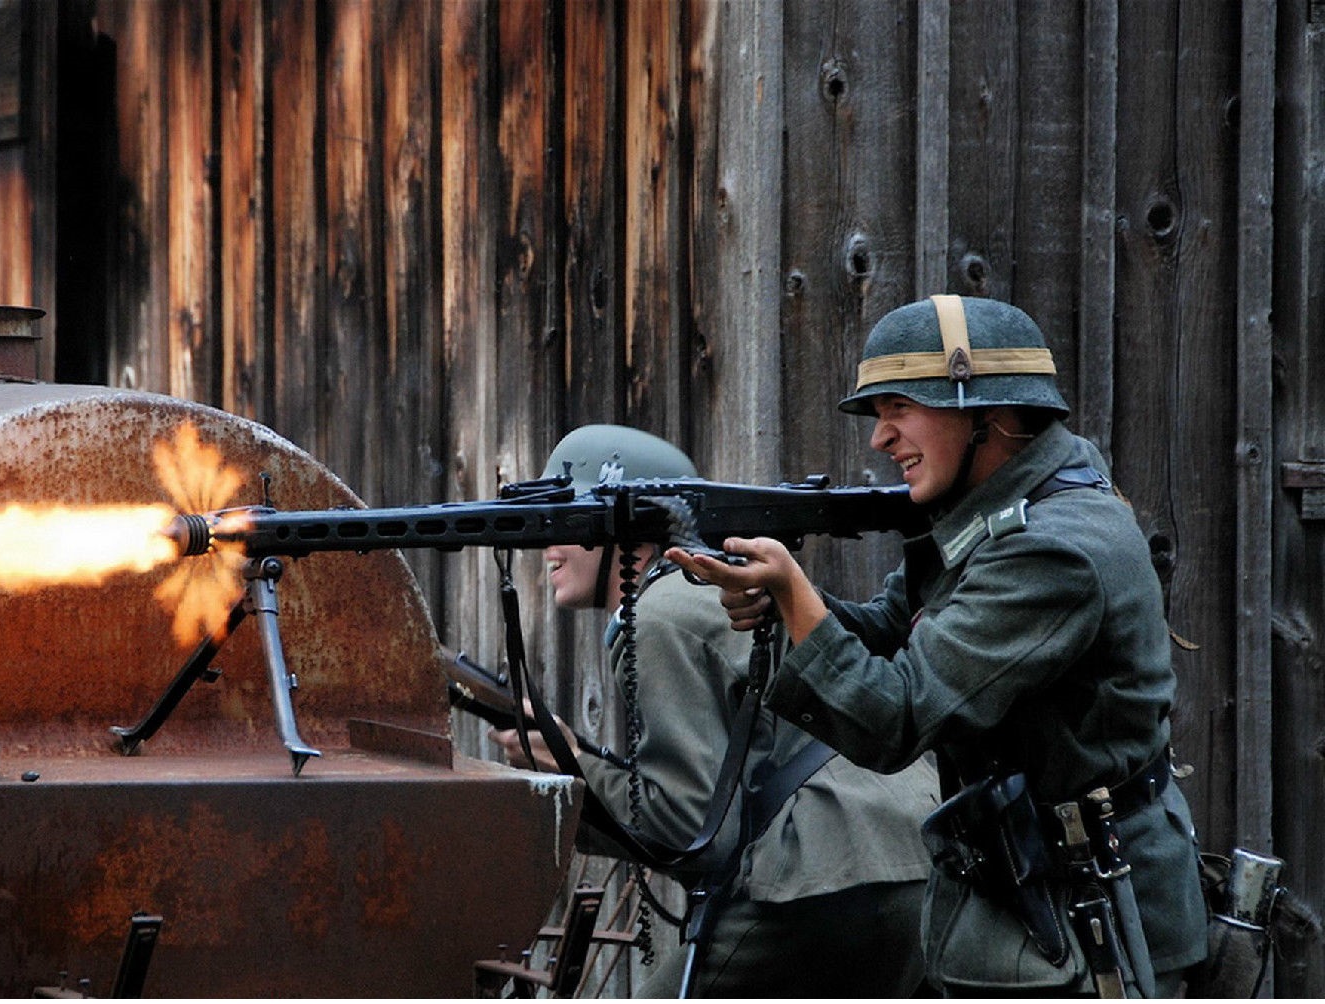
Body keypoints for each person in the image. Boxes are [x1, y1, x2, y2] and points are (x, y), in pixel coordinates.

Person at [668, 295, 1208, 997]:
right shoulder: (1001, 515)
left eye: (900, 408)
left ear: (989, 414)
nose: (879, 438)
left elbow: (895, 715)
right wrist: (784, 606)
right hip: (1025, 896)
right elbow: (889, 631)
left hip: (1089, 925)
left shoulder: (1054, 550)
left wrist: (798, 600)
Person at [489, 424, 940, 998]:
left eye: (571, 524)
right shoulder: (710, 593)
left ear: (633, 533)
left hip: (824, 875)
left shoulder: (658, 613)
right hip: (914, 858)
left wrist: (572, 771)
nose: (547, 546)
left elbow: (687, 827)